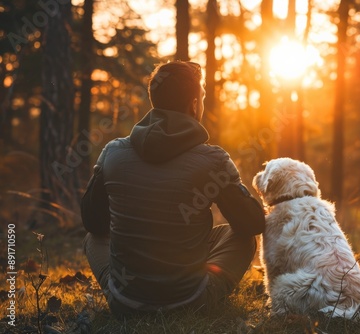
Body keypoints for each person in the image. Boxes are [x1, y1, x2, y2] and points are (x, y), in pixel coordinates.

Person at [81, 61, 265, 317]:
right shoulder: (213, 160)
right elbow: (252, 224)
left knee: (94, 239)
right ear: (193, 105)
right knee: (242, 238)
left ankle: (129, 293)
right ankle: (190, 285)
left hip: (124, 304)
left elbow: (92, 222)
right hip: (191, 303)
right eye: (201, 97)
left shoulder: (113, 152)